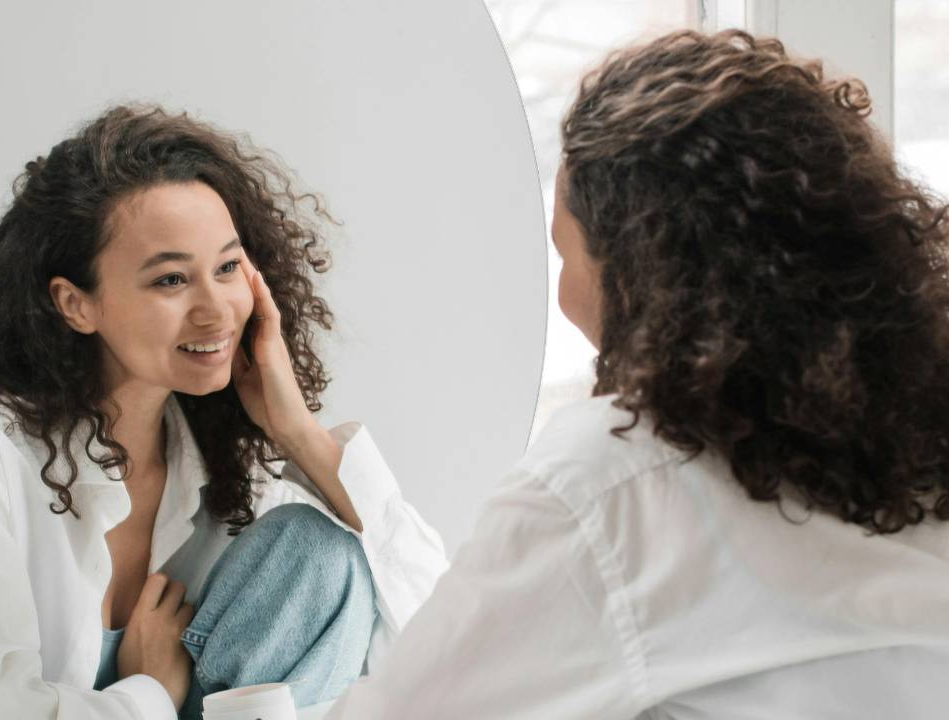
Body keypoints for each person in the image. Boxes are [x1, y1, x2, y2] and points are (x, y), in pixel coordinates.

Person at [325, 29, 949, 719]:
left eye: (566, 256)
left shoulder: (614, 480)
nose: (562, 299)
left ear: (642, 276)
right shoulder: (918, 444)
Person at [0, 104, 447, 720]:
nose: (216, 311)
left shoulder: (233, 475)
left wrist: (297, 431)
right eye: (171, 280)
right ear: (76, 304)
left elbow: (438, 639)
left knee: (322, 550)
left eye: (227, 268)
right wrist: (147, 690)